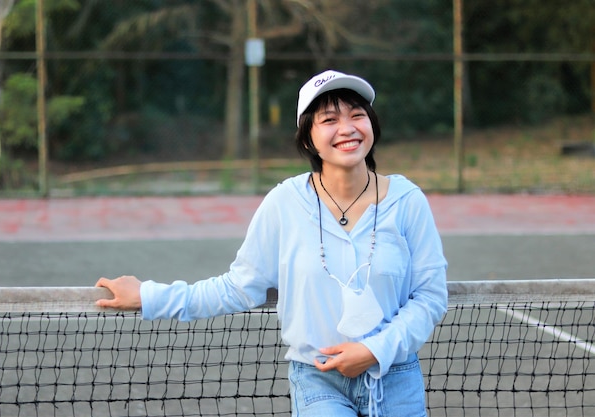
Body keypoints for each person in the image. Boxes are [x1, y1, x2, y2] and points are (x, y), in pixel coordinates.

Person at [96, 69, 448, 417]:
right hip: (318, 380)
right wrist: (149, 297)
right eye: (329, 119)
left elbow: (430, 296)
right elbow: (238, 288)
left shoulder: (407, 200)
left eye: (357, 115)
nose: (347, 128)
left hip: (397, 377)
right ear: (308, 138)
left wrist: (375, 350)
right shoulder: (284, 204)